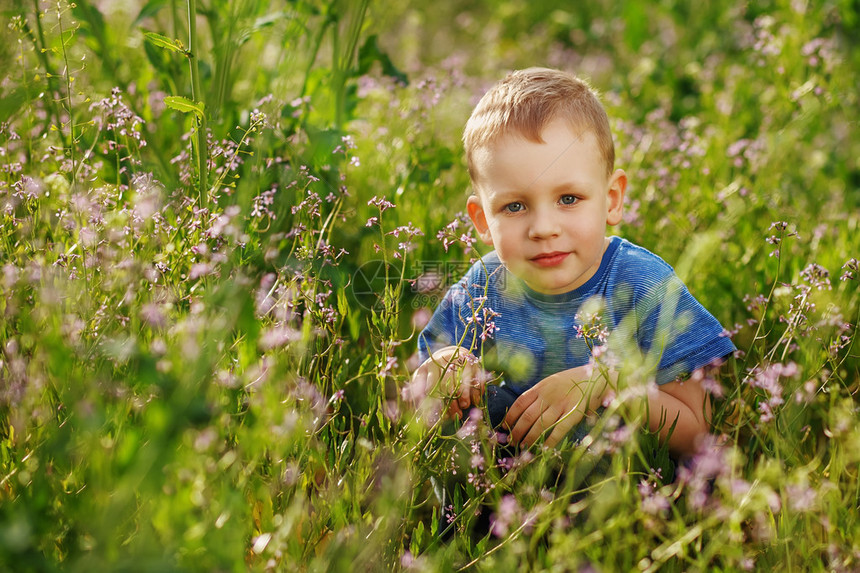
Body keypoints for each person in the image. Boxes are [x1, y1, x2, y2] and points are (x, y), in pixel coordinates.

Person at [412, 67, 736, 461]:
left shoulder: (645, 286)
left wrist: (606, 383)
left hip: (629, 505)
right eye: (514, 206)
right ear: (482, 220)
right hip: (504, 505)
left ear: (612, 198)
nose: (544, 228)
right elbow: (422, 403)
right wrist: (443, 368)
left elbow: (697, 434)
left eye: (568, 199)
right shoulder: (481, 288)